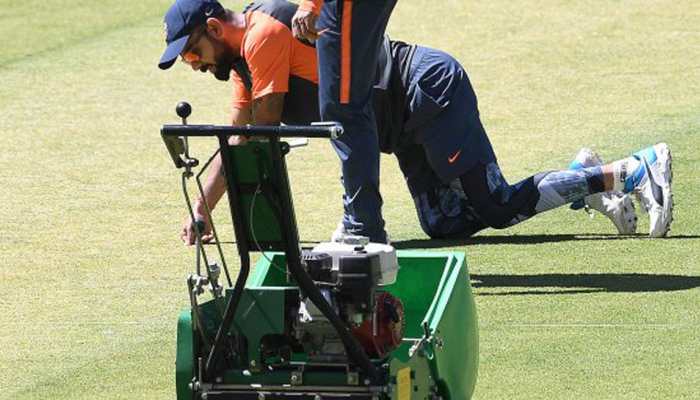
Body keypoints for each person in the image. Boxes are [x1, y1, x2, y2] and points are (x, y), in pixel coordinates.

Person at [157, 0, 674, 245]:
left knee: (494, 206)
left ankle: (628, 171)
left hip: (428, 94)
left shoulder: (262, 36)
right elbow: (238, 142)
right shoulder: (243, 66)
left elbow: (260, 134)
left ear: (213, 27)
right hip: (402, 128)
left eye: (193, 54)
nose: (195, 65)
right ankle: (581, 176)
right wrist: (202, 208)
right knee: (444, 226)